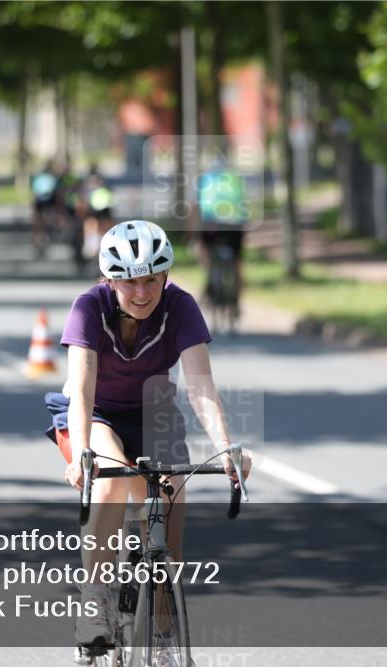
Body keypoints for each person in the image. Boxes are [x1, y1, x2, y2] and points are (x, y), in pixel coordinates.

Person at [44, 220, 250, 650]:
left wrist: (225, 448)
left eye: (152, 280)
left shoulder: (181, 308)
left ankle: (161, 604)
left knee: (173, 487)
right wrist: (83, 453)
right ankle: (94, 602)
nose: (142, 293)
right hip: (92, 414)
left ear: (166, 276)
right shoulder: (88, 308)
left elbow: (200, 387)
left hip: (152, 413)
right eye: (129, 283)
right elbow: (82, 386)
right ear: (110, 280)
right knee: (111, 477)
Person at [197, 161, 248, 299]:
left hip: (212, 224)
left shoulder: (205, 179)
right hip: (235, 224)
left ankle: (208, 279)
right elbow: (243, 204)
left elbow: (195, 206)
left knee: (204, 248)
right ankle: (238, 293)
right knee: (237, 258)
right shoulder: (235, 179)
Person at [79, 164, 115, 261]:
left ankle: (95, 247)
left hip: (102, 211)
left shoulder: (102, 191)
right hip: (95, 212)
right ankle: (92, 247)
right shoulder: (92, 191)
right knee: (92, 225)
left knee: (100, 226)